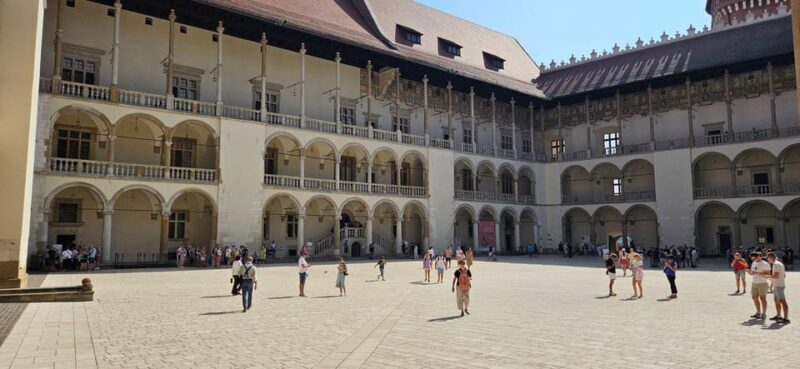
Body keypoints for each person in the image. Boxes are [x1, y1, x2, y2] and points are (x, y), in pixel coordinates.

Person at [766, 252, 789, 324]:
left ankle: (786, 318)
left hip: (779, 286)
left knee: (783, 302)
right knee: (777, 301)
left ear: (771, 257)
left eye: (767, 257)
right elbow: (783, 275)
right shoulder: (777, 264)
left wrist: (766, 276)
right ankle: (778, 316)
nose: (767, 259)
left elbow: (775, 276)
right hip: (777, 286)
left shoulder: (776, 264)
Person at [746, 252, 770, 320]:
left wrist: (756, 273)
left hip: (762, 283)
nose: (754, 260)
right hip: (754, 282)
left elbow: (768, 274)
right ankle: (758, 312)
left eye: (754, 258)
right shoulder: (754, 263)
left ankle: (764, 313)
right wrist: (749, 272)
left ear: (759, 256)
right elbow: (752, 273)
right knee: (754, 298)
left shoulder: (765, 264)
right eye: (752, 259)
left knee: (763, 298)